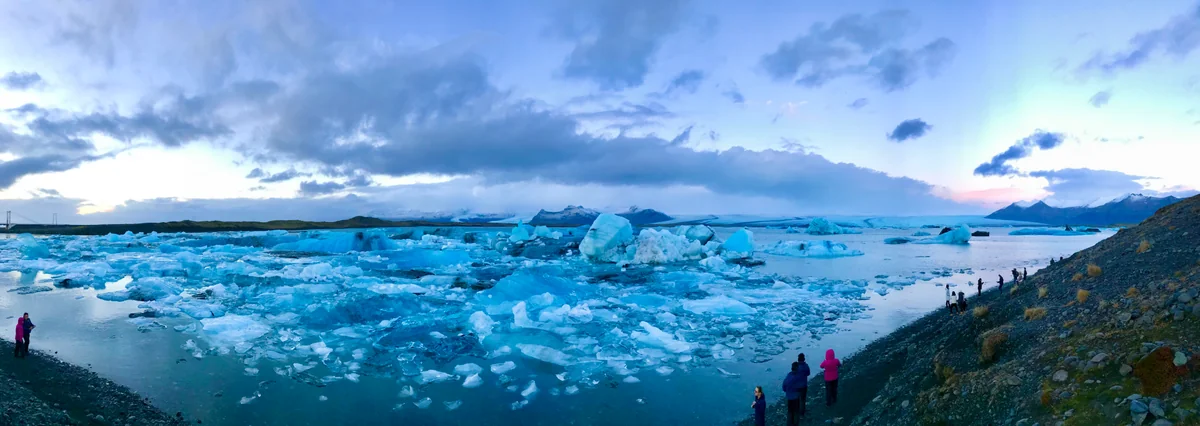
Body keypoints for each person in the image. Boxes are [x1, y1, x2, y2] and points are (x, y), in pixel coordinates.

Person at [795, 353, 811, 418]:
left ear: (798, 359)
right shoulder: (806, 366)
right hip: (804, 385)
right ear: (804, 359)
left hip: (797, 386)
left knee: (797, 399)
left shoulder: (796, 366)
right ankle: (802, 412)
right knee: (803, 399)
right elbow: (808, 373)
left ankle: (797, 411)